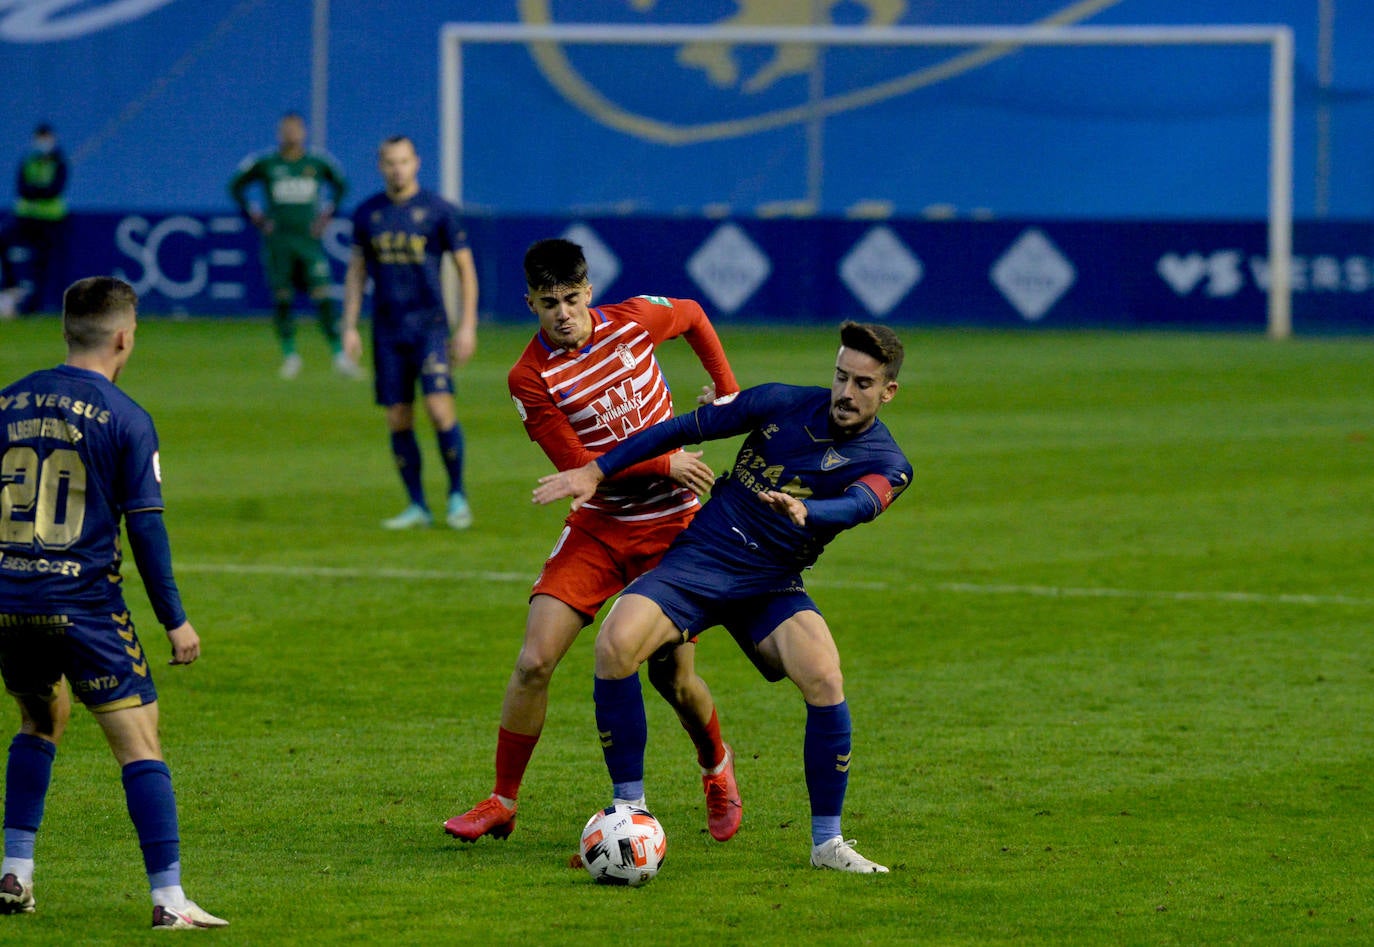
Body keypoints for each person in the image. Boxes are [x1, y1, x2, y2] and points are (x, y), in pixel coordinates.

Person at [534, 321, 912, 873]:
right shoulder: (779, 403)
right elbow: (682, 426)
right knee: (615, 645)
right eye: (840, 378)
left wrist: (811, 511)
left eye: (862, 383)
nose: (846, 393)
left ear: (887, 391)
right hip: (702, 558)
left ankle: (828, 843)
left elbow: (862, 504)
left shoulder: (890, 462)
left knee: (825, 676)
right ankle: (629, 810)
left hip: (771, 580)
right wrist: (595, 469)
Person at [444, 238, 745, 844]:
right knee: (533, 662)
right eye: (548, 301)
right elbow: (579, 465)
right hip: (601, 529)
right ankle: (503, 800)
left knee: (672, 678)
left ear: (589, 290)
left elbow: (692, 316)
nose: (563, 312)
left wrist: (729, 392)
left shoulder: (633, 321)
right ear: (531, 301)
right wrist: (666, 463)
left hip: (673, 530)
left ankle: (716, 768)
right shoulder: (529, 377)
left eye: (572, 298)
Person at [0, 277, 227, 928]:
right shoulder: (126, 416)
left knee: (40, 721)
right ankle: (169, 900)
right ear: (125, 336)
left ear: (66, 330)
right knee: (141, 743)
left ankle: (16, 869)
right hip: (85, 607)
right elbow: (146, 528)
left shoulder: (6, 402)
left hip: (11, 601)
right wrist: (174, 618)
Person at [342, 136, 479, 530]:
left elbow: (466, 271)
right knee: (399, 418)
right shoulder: (368, 214)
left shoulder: (439, 211)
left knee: (439, 409)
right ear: (380, 165)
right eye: (389, 162)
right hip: (387, 331)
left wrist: (466, 325)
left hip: (430, 328)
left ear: (416, 162)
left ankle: (457, 496)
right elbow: (356, 272)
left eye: (403, 161)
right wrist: (349, 325)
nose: (397, 168)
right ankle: (418, 504)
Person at [229, 112, 355, 379]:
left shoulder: (317, 162)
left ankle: (339, 355)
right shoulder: (266, 163)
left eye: (295, 129)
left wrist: (328, 215)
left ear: (304, 132)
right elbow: (235, 186)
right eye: (286, 129)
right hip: (279, 242)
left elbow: (342, 186)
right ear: (279, 133)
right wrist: (254, 215)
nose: (291, 134)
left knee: (323, 296)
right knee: (283, 298)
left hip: (308, 242)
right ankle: (290, 356)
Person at [0, 124, 68, 317]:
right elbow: (21, 187)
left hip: (50, 220)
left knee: (41, 263)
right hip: (25, 216)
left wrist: (37, 191)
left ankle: (33, 307)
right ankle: (10, 283)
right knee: (3, 240)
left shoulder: (60, 162)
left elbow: (55, 189)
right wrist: (37, 191)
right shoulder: (29, 161)